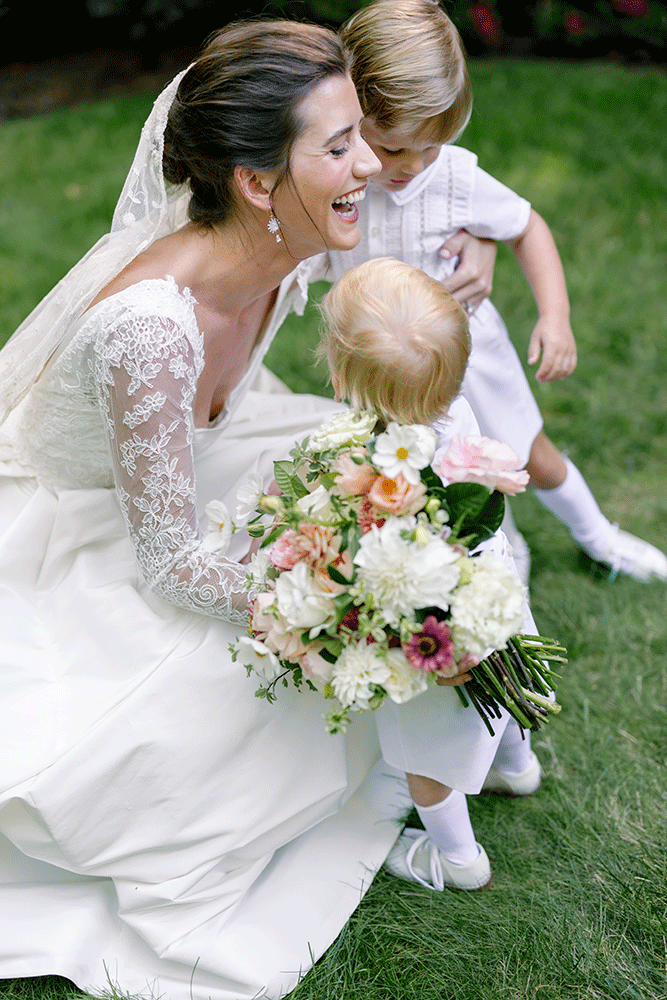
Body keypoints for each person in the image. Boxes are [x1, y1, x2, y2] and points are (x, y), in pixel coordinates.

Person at [0, 21, 426, 1000]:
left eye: (360, 132)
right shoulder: (148, 329)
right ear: (255, 182)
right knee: (207, 711)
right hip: (80, 541)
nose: (370, 162)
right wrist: (342, 607)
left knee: (388, 473)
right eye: (338, 146)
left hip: (188, 481)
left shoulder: (289, 235)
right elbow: (174, 567)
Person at [322, 0, 667, 586]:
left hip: (471, 352)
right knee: (417, 468)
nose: (409, 166)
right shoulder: (339, 183)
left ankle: (598, 535)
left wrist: (554, 318)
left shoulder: (454, 178)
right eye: (392, 148)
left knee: (528, 452)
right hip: (385, 365)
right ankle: (497, 543)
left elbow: (528, 227)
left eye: (427, 147)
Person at [318, 256, 541, 891]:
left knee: (427, 752)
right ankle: (518, 767)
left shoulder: (374, 462)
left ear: (342, 377)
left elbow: (370, 547)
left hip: (432, 623)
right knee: (504, 688)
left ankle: (458, 859)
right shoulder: (458, 416)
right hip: (492, 595)